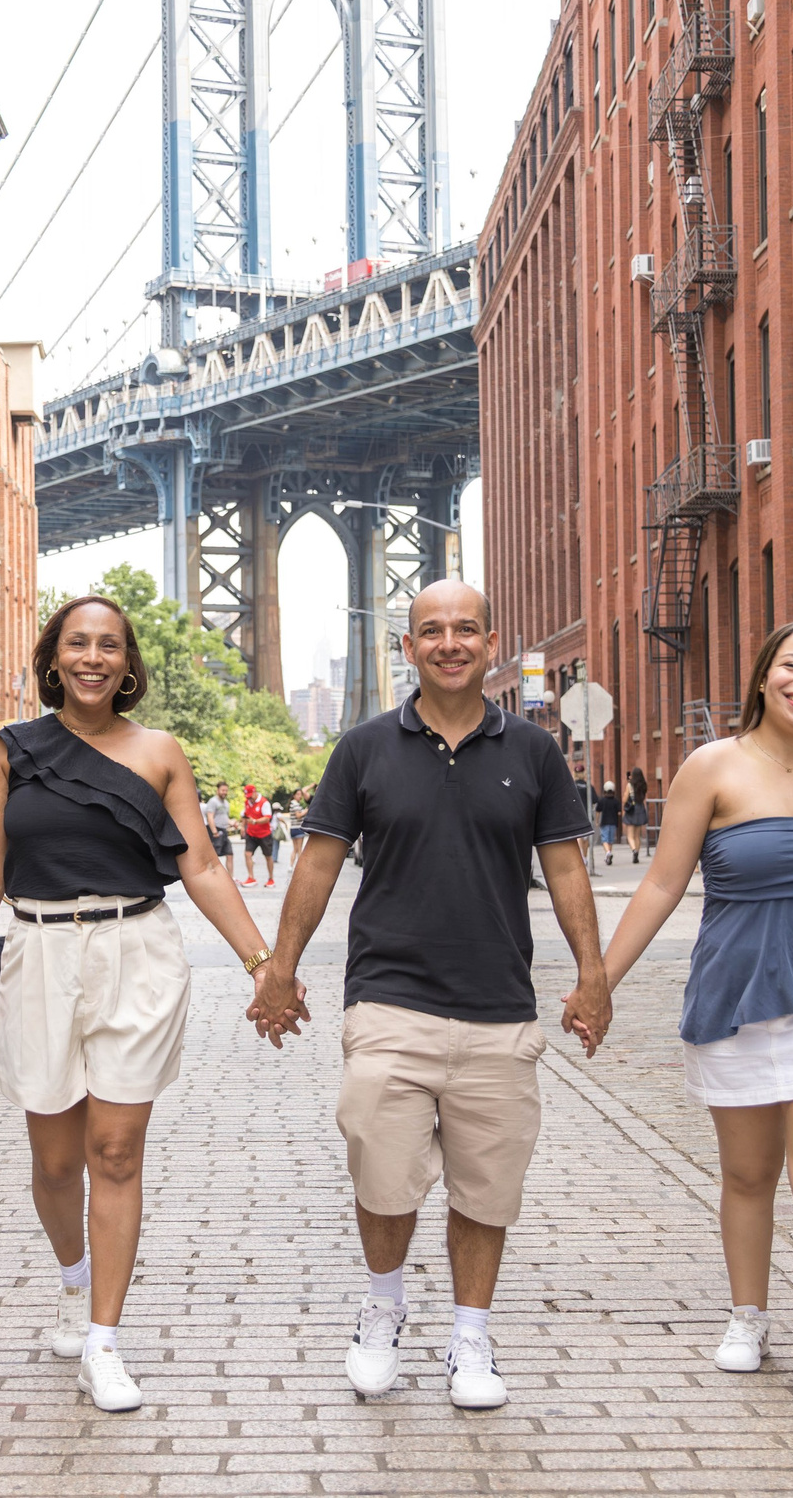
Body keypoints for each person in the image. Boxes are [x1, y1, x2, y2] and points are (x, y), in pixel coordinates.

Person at [0, 595, 303, 1414]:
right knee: (53, 1160)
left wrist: (264, 965)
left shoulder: (160, 752)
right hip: (38, 953)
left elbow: (206, 867)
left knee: (113, 1152)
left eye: (109, 645)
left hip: (137, 952)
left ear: (129, 662)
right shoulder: (10, 753)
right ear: (54, 656)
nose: (93, 658)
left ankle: (104, 1342)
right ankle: (73, 1280)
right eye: (78, 643)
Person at [259, 580, 608, 1411]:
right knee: (383, 1173)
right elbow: (316, 859)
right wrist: (280, 967)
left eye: (465, 630)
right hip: (389, 999)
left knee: (485, 1188)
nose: (449, 643)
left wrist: (593, 975)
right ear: (408, 648)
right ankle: (383, 1309)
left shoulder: (533, 752)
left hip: (499, 1007)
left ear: (490, 644)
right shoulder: (364, 748)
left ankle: (470, 1335)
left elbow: (564, 867)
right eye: (430, 631)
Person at [596, 620, 793, 1433]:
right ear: (765, 676)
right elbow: (663, 886)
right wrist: (599, 980)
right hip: (737, 997)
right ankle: (748, 1314)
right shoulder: (714, 767)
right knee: (747, 1176)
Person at [239, 782, 279, 886]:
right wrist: (243, 826)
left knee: (268, 856)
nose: (249, 799)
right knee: (247, 854)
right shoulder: (247, 802)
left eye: (250, 796)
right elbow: (245, 815)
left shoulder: (264, 802)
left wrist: (256, 821)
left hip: (264, 834)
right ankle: (251, 878)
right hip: (251, 834)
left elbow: (267, 818)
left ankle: (271, 879)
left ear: (255, 792)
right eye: (247, 797)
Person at [204, 782, 236, 877]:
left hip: (224, 830)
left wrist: (232, 823)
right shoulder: (213, 801)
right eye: (222, 790)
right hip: (215, 831)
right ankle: (211, 876)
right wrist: (214, 831)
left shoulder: (226, 803)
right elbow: (210, 817)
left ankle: (231, 877)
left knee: (229, 854)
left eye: (226, 790)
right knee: (214, 856)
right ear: (218, 790)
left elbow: (225, 817)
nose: (224, 792)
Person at [595, 780, 624, 867]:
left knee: (604, 840)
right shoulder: (616, 801)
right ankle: (608, 856)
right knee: (610, 841)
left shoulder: (602, 800)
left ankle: (607, 853)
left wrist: (597, 821)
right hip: (613, 823)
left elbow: (598, 811)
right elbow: (619, 812)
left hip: (604, 822)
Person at [627, 766, 651, 861]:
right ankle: (637, 851)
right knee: (637, 835)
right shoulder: (643, 785)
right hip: (640, 808)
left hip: (632, 809)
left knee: (630, 835)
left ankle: (634, 850)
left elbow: (625, 797)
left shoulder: (630, 785)